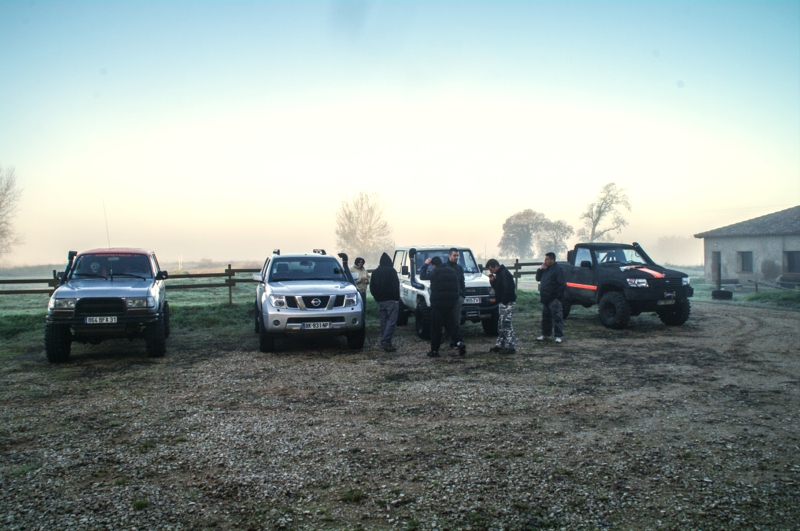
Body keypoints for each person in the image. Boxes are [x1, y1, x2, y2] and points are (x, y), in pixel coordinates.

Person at [420, 256, 466, 357]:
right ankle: (459, 342)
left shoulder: (435, 272)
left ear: (434, 265)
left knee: (436, 328)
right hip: (450, 304)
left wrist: (425, 264)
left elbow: (422, 276)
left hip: (437, 305)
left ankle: (435, 351)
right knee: (451, 326)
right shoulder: (452, 271)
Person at [369, 252, 400, 352]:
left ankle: (387, 342)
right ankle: (385, 342)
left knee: (384, 322)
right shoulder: (392, 271)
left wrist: (377, 298)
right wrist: (396, 298)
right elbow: (395, 286)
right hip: (391, 300)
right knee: (391, 322)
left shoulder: (375, 272)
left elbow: (372, 287)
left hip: (380, 301)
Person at [486, 258, 517, 354]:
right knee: (501, 324)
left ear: (496, 266)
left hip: (507, 303)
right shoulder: (501, 274)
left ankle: (510, 346)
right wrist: (492, 281)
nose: (491, 272)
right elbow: (499, 288)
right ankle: (501, 344)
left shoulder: (504, 274)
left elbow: (508, 288)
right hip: (504, 302)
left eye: (491, 269)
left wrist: (504, 301)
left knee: (506, 324)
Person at [535, 252, 566, 343]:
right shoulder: (545, 269)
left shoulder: (558, 270)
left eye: (547, 259)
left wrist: (558, 297)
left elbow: (561, 284)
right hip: (545, 298)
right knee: (545, 318)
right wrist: (540, 269)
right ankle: (545, 334)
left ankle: (558, 336)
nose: (545, 261)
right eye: (545, 259)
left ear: (552, 260)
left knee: (557, 317)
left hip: (554, 298)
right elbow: (538, 278)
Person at [444, 247, 466, 349]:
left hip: (458, 298)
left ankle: (453, 342)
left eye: (457, 255)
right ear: (449, 256)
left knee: (456, 321)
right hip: (447, 298)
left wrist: (462, 295)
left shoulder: (459, 269)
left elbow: (462, 282)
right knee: (447, 320)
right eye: (454, 255)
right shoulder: (444, 268)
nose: (456, 257)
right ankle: (443, 339)